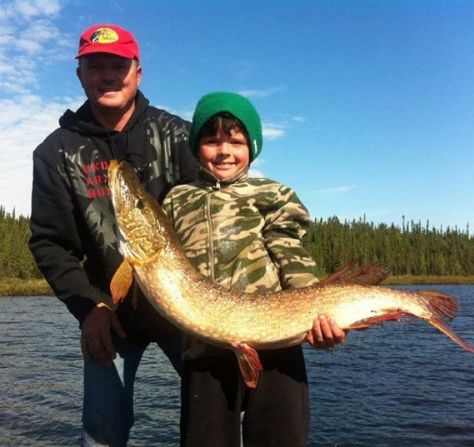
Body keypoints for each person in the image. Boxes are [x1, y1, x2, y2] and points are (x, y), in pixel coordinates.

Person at [28, 24, 199, 447]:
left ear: (138, 74)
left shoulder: (178, 135)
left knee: (218, 415)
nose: (108, 75)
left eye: (118, 65)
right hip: (111, 313)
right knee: (101, 435)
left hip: (187, 307)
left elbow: (210, 218)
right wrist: (90, 308)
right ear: (80, 75)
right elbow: (50, 242)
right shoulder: (56, 152)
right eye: (95, 65)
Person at [161, 92, 346, 447]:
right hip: (205, 350)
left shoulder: (273, 193)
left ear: (253, 146)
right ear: (197, 145)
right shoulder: (176, 198)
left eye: (236, 141)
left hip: (277, 347)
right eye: (212, 141)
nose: (224, 151)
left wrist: (320, 311)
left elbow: (289, 251)